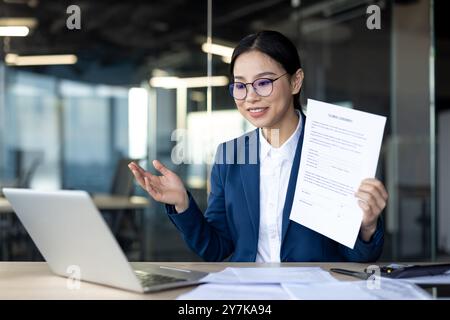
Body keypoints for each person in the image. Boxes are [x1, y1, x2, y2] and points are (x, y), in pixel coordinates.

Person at [128, 30, 388, 262]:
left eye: (263, 83)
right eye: (240, 85)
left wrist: (366, 226)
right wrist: (183, 204)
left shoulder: (333, 148)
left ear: (295, 82)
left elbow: (358, 258)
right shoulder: (231, 154)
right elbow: (216, 249)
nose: (250, 96)